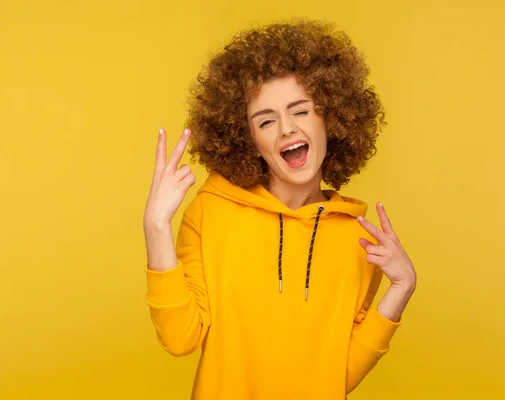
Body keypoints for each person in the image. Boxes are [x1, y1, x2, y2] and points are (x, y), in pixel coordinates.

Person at [143, 20, 417, 399]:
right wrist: (156, 226)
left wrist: (401, 288)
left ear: (331, 118)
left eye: (301, 111)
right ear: (250, 140)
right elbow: (179, 339)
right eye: (266, 121)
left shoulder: (359, 238)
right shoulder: (211, 212)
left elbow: (336, 375)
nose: (287, 129)